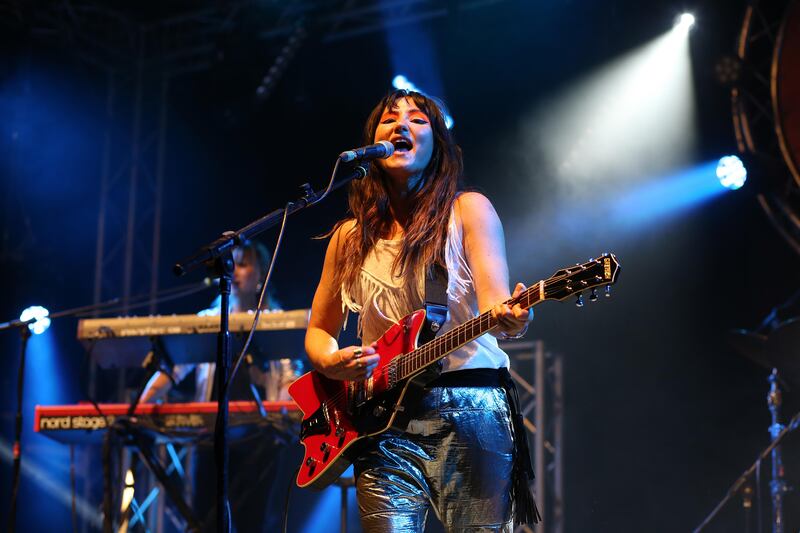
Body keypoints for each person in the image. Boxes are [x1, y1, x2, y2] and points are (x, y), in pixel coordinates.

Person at [304, 89, 540, 532]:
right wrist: (332, 362)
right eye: (390, 120)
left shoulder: (468, 211)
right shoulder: (348, 238)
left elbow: (495, 302)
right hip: (380, 419)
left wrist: (514, 315)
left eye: (418, 120)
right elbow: (319, 331)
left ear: (437, 145)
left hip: (469, 405)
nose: (401, 127)